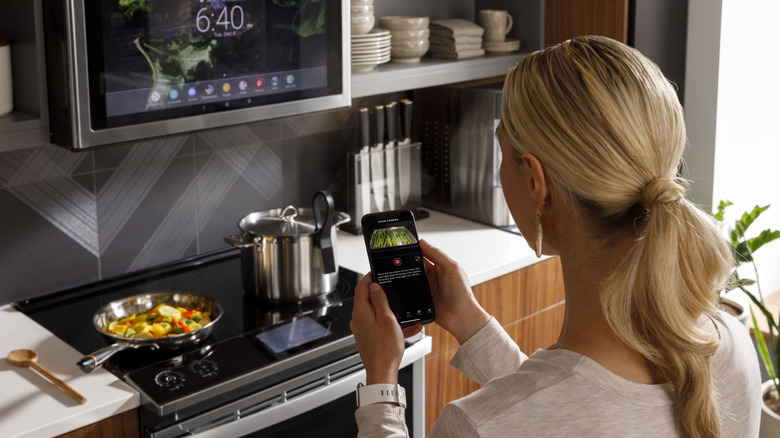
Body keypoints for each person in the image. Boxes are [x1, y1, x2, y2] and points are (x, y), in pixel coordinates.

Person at [349, 35, 762, 437]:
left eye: (501, 151)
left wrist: (381, 385)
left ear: (535, 181)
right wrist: (470, 324)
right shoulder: (734, 346)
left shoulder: (478, 426)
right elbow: (565, 406)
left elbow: (546, 412)